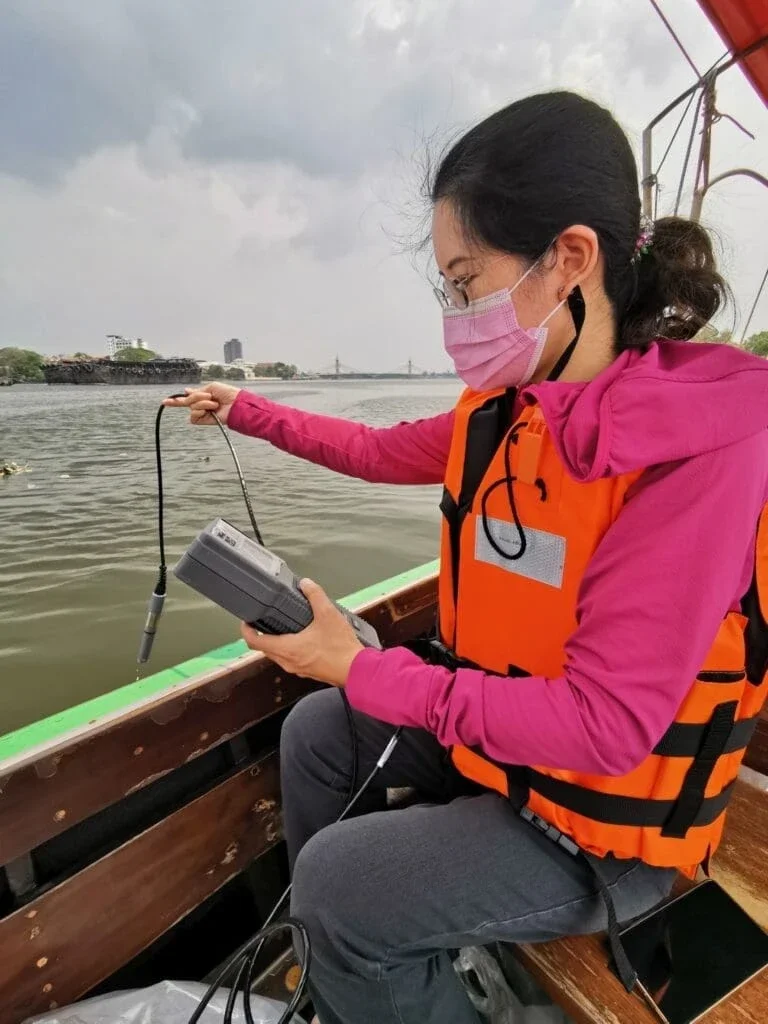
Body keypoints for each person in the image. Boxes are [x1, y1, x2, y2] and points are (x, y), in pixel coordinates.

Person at [166, 91, 768, 1024]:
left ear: (570, 259)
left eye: (465, 280)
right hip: (505, 751)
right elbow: (370, 451)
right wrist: (246, 409)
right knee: (317, 733)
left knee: (338, 882)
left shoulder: (695, 450)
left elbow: (606, 725)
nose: (456, 312)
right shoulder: (508, 413)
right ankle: (351, 970)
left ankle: (353, 943)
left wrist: (363, 666)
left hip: (607, 829)